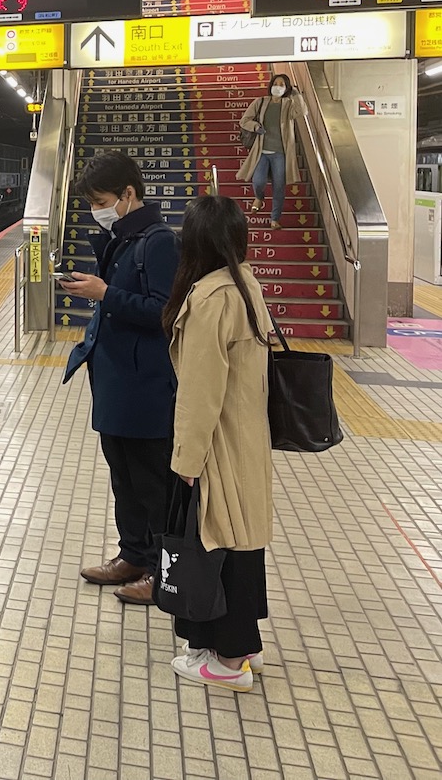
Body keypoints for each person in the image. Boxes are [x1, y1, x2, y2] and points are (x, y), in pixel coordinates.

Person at [161, 193, 275, 692]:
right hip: (247, 436)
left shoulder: (210, 300)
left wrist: (187, 457)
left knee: (218, 541)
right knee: (241, 540)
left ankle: (229, 662)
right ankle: (242, 643)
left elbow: (200, 393)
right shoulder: (245, 285)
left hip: (219, 443)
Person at [60, 151, 180, 606]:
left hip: (146, 384)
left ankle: (161, 570)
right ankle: (132, 553)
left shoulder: (160, 241)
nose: (98, 209)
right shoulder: (123, 238)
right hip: (116, 381)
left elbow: (165, 312)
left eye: (102, 199)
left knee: (152, 481)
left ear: (129, 193)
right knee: (123, 475)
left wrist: (105, 293)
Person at [237, 73, 302, 228]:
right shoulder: (260, 102)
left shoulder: (289, 104)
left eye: (282, 85)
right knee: (258, 181)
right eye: (276, 83)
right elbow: (244, 120)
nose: (277, 87)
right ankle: (259, 197)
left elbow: (301, 112)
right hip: (262, 151)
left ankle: (275, 219)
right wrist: (256, 127)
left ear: (286, 88)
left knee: (279, 186)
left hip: (281, 152)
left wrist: (297, 95)